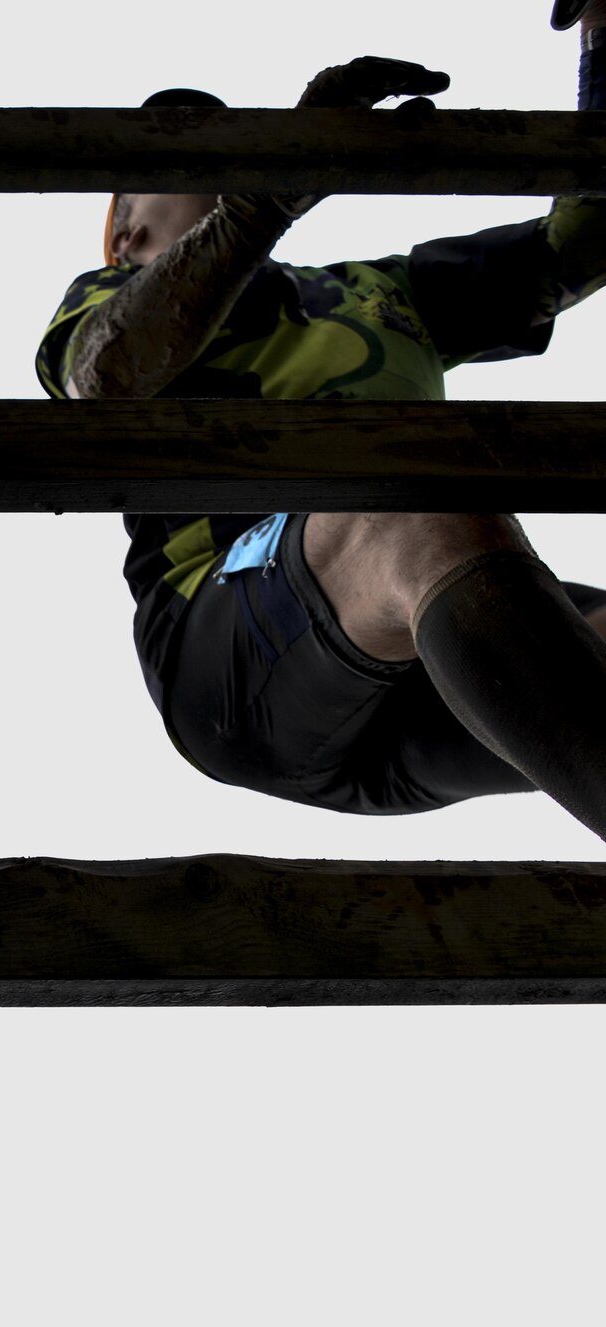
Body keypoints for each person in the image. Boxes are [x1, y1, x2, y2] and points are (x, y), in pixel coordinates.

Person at [34, 24, 606, 837]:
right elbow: (106, 376)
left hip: (440, 653)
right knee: (410, 500)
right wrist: (269, 194)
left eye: (235, 139)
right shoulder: (106, 302)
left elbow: (579, 242)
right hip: (233, 658)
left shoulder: (379, 293)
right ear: (127, 233)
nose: (225, 154)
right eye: (186, 152)